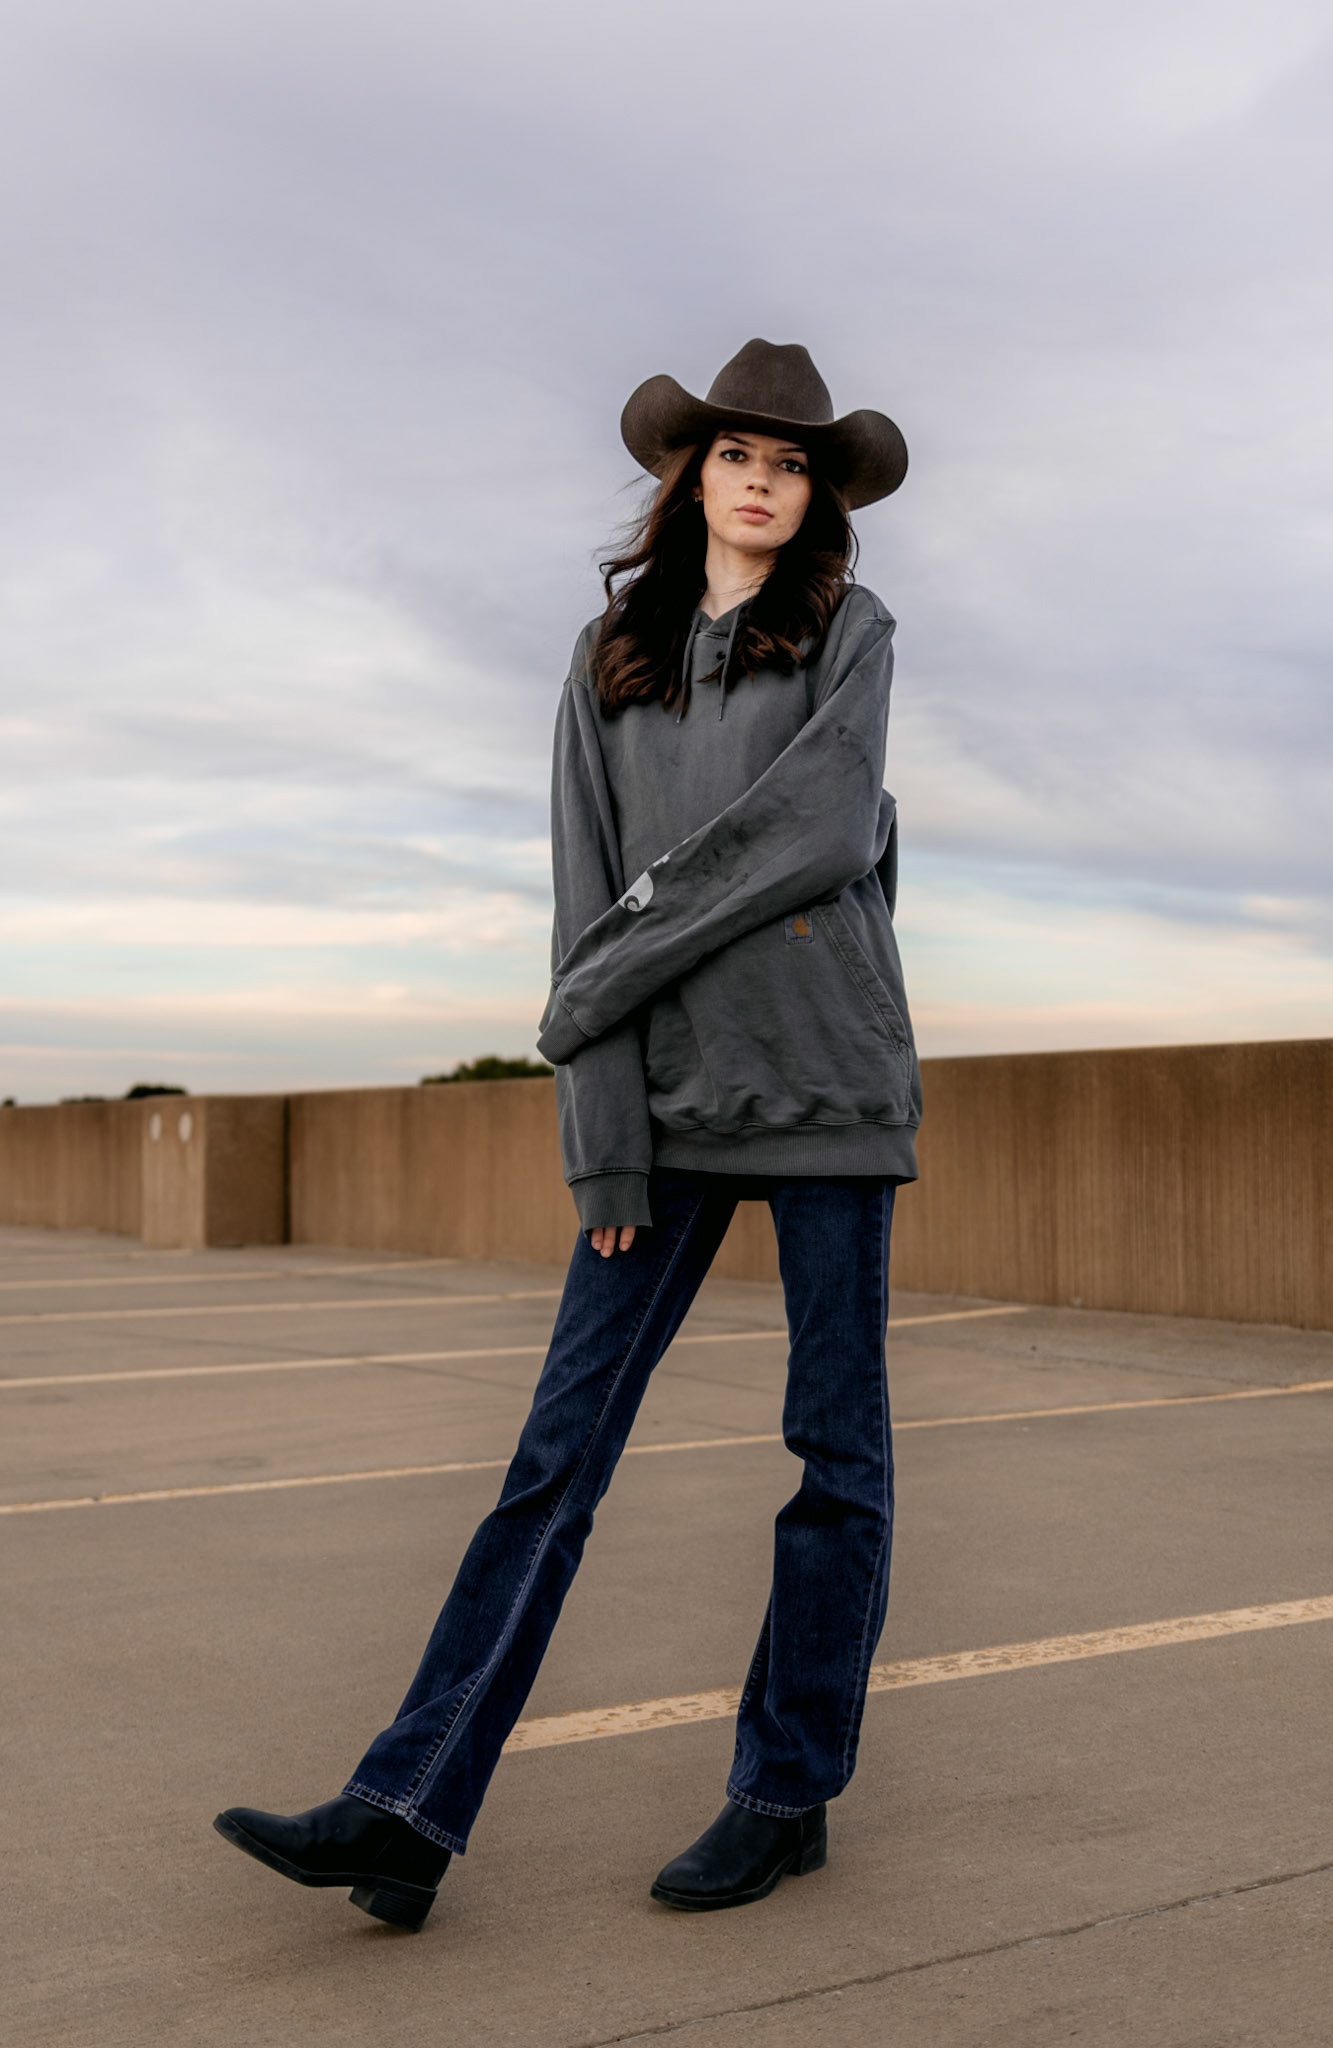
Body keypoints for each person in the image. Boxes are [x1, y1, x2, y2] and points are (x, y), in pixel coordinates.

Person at [214, 339, 921, 1933]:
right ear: (690, 476)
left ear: (815, 495)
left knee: (835, 1457)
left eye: (788, 464)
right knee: (555, 1457)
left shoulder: (850, 631)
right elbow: (579, 895)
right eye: (735, 455)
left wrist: (617, 956)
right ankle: (407, 1809)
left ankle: (784, 1791)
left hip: (829, 1082)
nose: (760, 482)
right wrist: (600, 1127)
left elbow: (822, 829)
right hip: (658, 1106)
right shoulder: (608, 655)